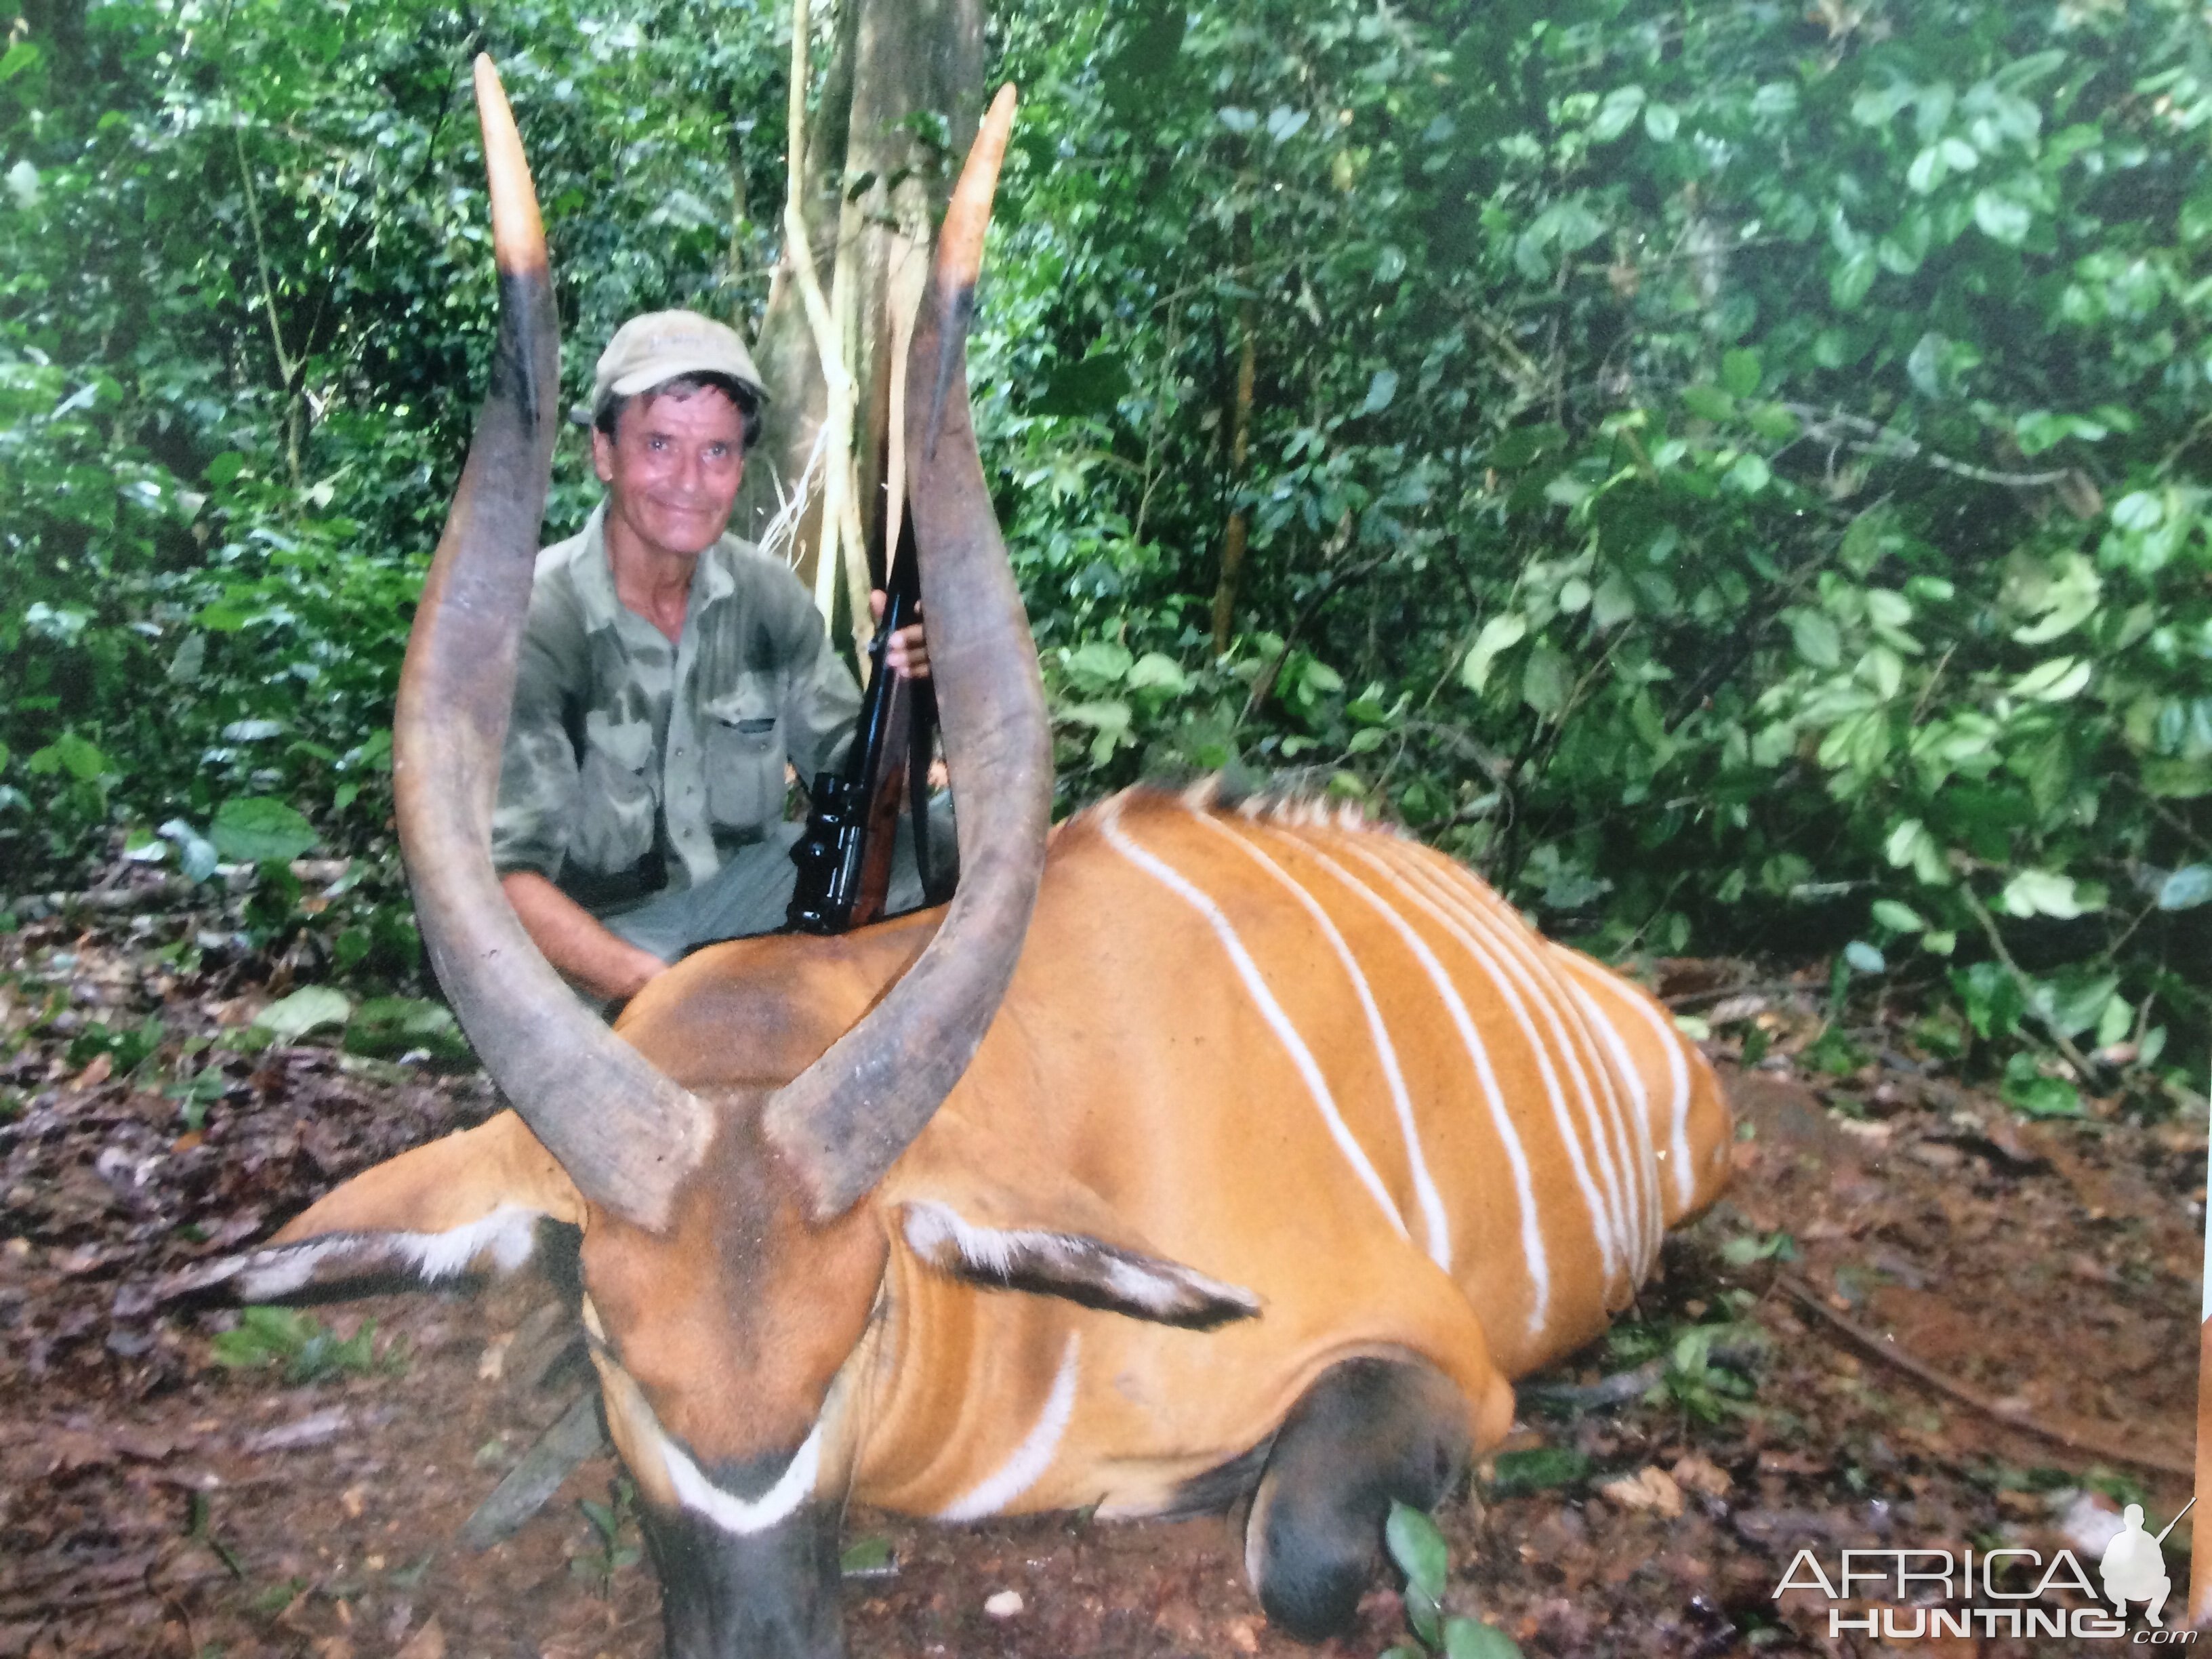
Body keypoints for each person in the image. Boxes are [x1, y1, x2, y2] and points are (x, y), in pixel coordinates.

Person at [491, 309, 933, 1006]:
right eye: (660, 444)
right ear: (603, 453)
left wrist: (918, 695)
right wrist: (665, 1000)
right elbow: (501, 882)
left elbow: (859, 784)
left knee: (962, 838)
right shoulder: (537, 621)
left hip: (745, 906)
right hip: (596, 948)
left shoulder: (766, 597)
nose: (692, 481)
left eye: (718, 452)